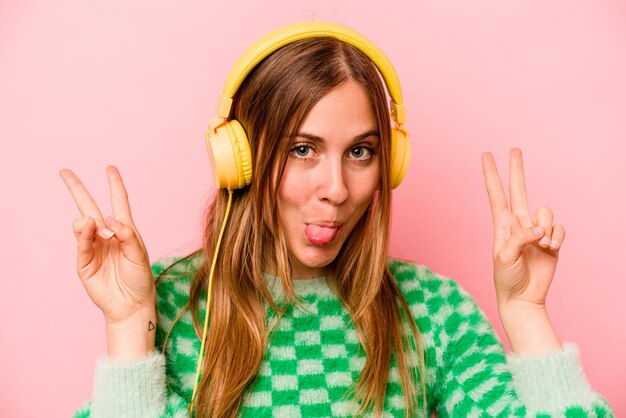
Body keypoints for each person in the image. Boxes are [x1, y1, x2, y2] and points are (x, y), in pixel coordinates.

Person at [61, 22, 614, 418]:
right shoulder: (174, 303)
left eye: (360, 152)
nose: (337, 190)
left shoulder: (435, 312)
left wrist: (526, 315)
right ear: (242, 158)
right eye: (303, 149)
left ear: (388, 162)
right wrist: (131, 328)